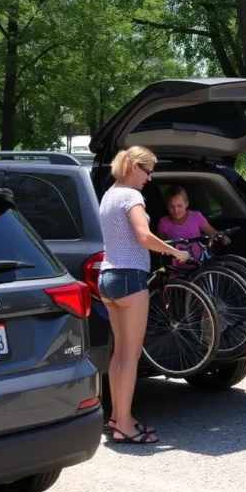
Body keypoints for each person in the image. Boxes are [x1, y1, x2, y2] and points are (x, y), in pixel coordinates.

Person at [98, 146, 191, 444]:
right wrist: (175, 250)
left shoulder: (109, 195)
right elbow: (143, 235)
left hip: (107, 278)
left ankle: (118, 418)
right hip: (130, 278)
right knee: (131, 355)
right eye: (148, 171)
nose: (149, 178)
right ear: (132, 167)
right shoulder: (131, 196)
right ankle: (124, 424)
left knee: (119, 353)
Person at [156, 185, 231, 266]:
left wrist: (221, 237)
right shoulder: (163, 222)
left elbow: (212, 232)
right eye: (171, 206)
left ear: (186, 204)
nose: (176, 211)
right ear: (166, 206)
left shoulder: (196, 216)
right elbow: (160, 244)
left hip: (198, 264)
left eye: (179, 206)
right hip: (176, 267)